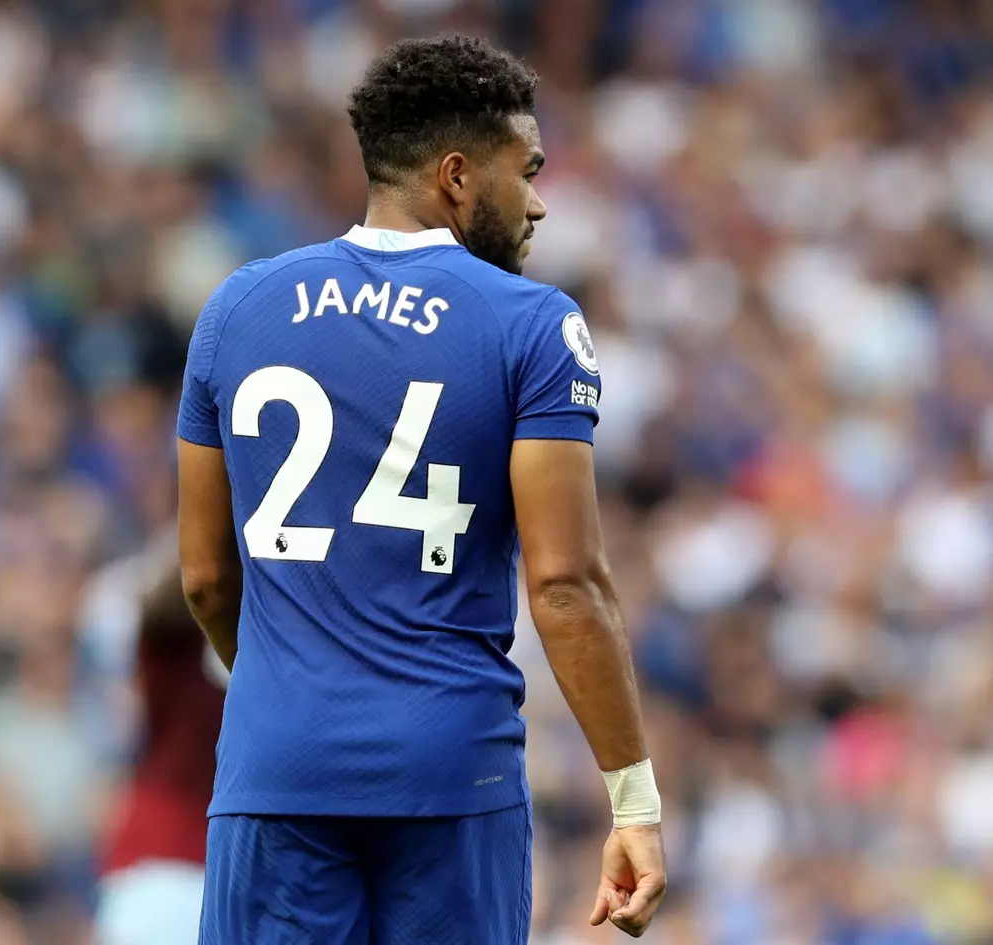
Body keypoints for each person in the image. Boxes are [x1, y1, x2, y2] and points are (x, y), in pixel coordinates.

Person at [176, 34, 667, 944]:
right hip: (451, 774)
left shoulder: (236, 309)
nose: (541, 202)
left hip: (276, 767)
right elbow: (564, 584)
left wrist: (297, 689)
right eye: (527, 170)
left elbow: (204, 576)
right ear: (456, 176)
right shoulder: (532, 325)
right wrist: (632, 800)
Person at [96, 554, 227, 945]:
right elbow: (171, 595)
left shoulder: (269, 652)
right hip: (161, 866)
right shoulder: (176, 652)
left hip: (214, 870)